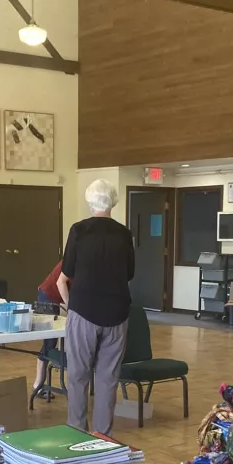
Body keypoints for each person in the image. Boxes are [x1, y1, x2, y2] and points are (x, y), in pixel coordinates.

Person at [58, 180, 135, 435]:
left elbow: (67, 272)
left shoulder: (79, 230)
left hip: (83, 310)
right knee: (107, 379)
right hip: (117, 311)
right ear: (113, 201)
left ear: (89, 200)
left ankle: (76, 431)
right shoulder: (124, 233)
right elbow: (130, 273)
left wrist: (70, 306)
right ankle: (103, 436)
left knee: (78, 376)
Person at [33, 260, 65, 396]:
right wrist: (72, 308)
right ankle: (38, 384)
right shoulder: (76, 258)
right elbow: (60, 283)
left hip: (55, 296)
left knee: (52, 342)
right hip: (48, 294)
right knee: (49, 342)